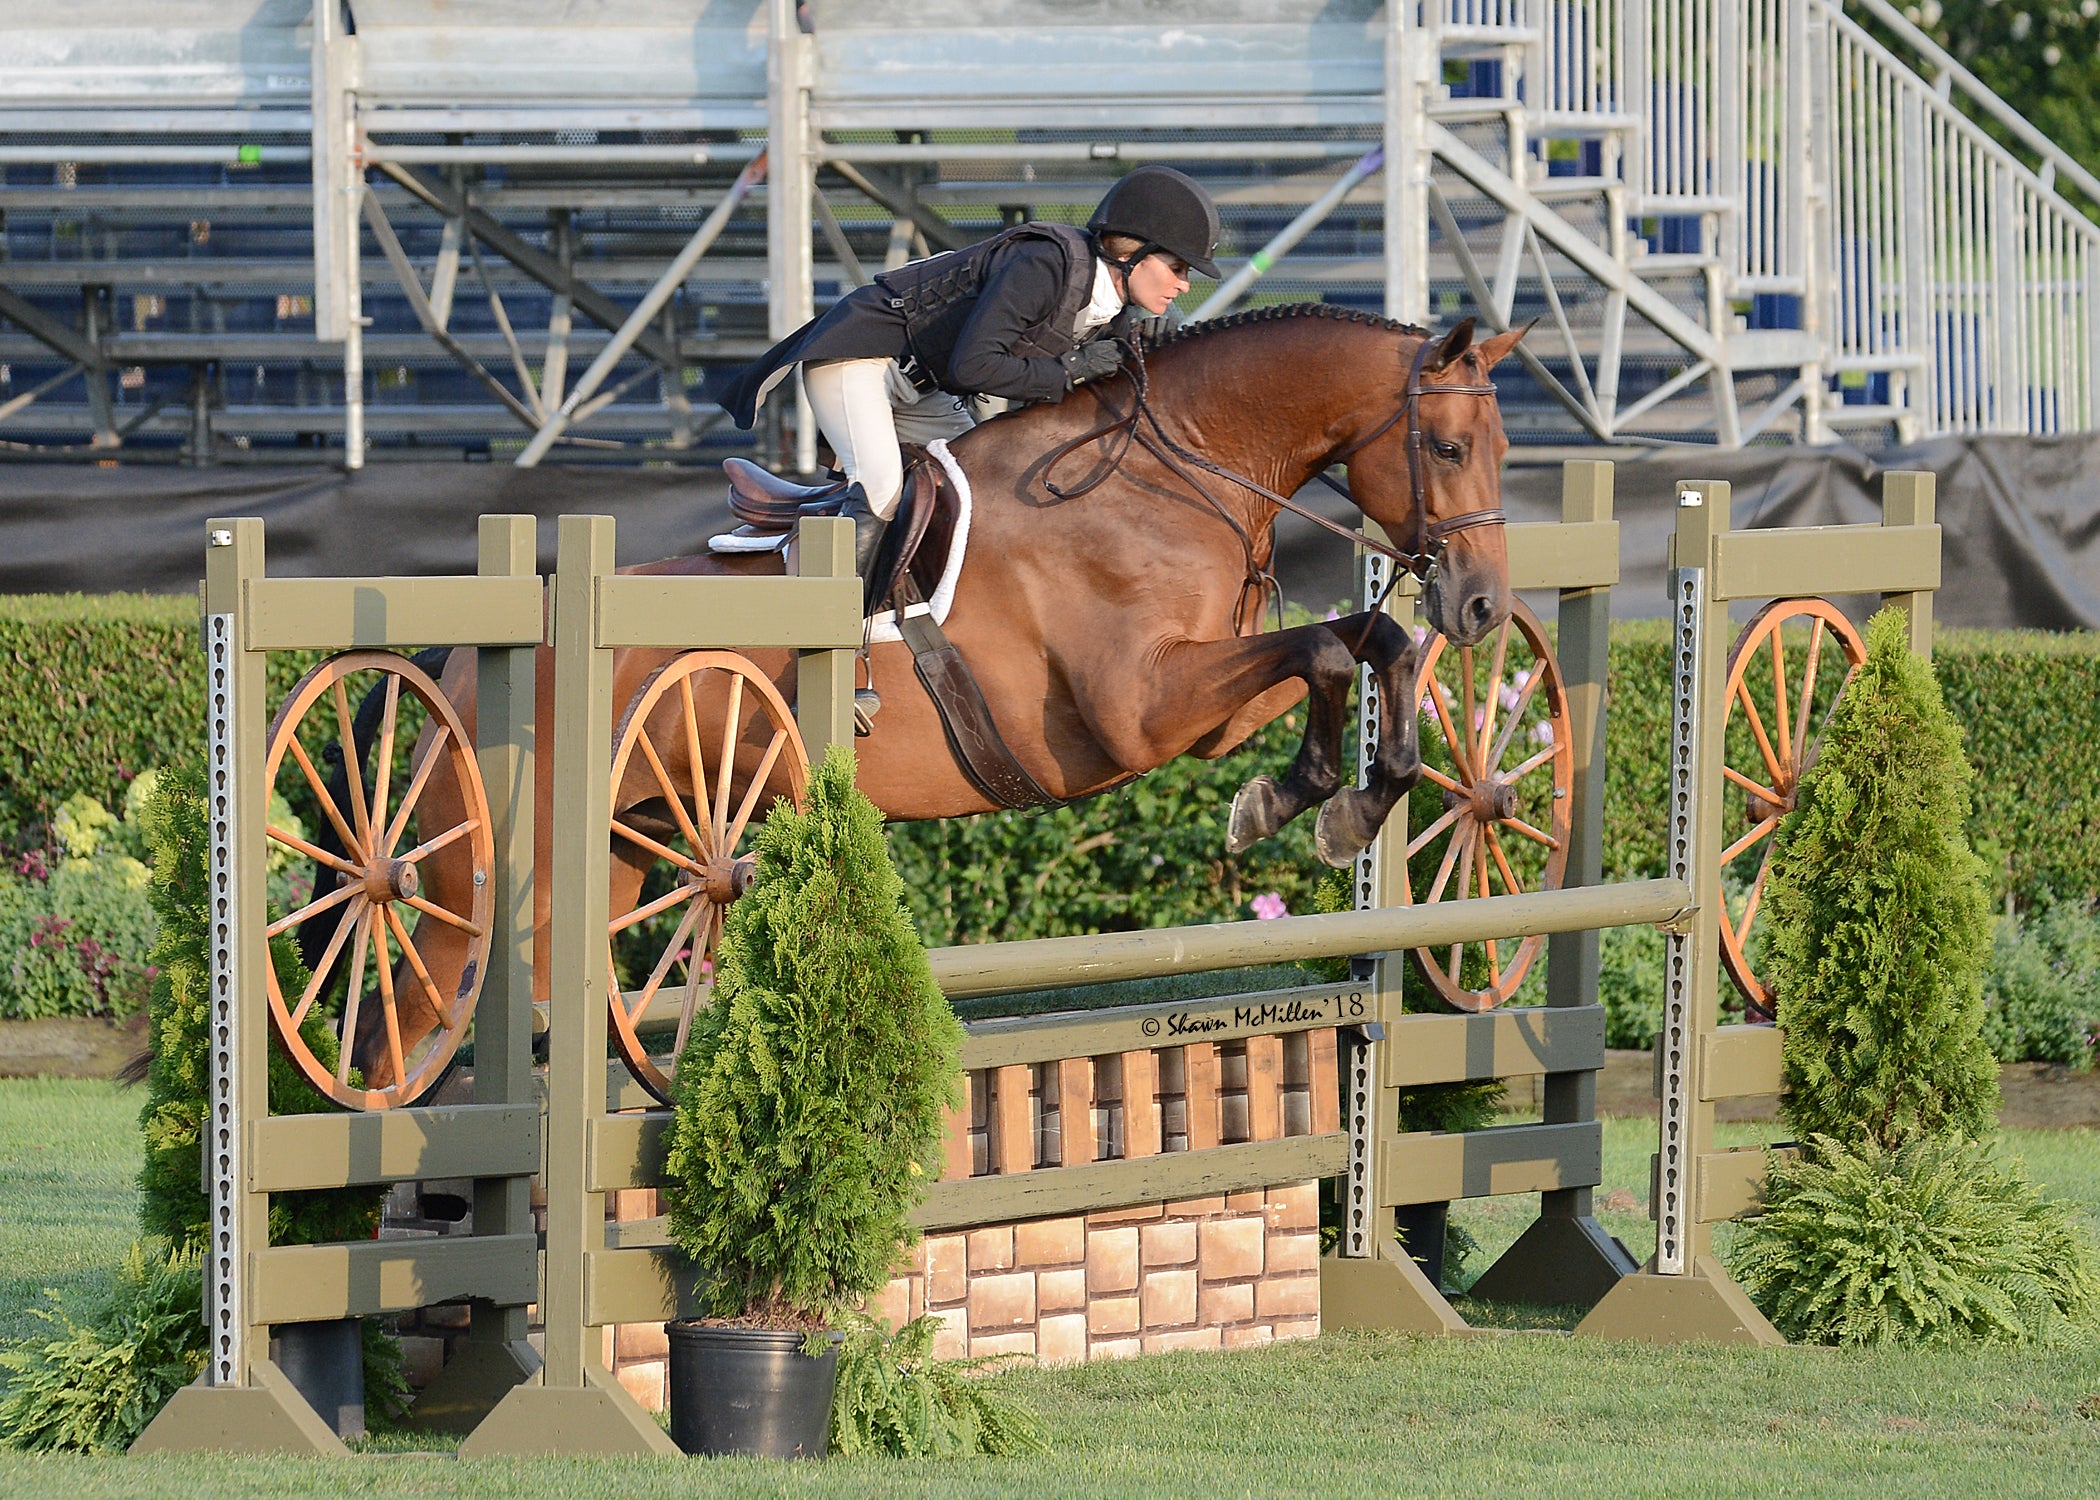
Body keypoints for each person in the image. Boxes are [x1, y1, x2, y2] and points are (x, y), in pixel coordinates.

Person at [720, 165, 1223, 603]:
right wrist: (1071, 369)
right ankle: (828, 634)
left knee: (976, 486)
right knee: (882, 486)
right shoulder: (1046, 265)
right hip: (861, 358)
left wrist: (1150, 343)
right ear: (1134, 254)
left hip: (920, 389)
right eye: (1177, 268)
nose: (1183, 284)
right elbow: (974, 367)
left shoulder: (1109, 304)